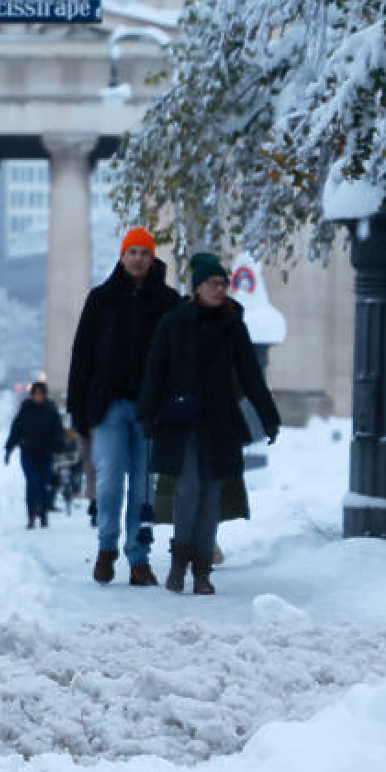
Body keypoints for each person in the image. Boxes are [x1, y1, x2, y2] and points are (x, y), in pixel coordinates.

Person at [138, 253, 281, 596]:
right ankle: (178, 563)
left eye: (223, 283)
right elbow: (155, 371)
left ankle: (202, 569)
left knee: (212, 494)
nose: (220, 289)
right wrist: (147, 414)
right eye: (213, 283)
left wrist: (269, 417)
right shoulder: (174, 323)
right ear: (197, 287)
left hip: (220, 423)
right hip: (182, 420)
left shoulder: (233, 325)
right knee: (188, 490)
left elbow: (250, 376)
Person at [67, 226, 182, 587]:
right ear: (122, 256)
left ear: (152, 258)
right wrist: (77, 408)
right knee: (110, 482)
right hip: (108, 407)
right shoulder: (101, 300)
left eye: (143, 252)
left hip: (150, 411)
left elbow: (179, 357)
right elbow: (82, 355)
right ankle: (106, 550)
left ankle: (139, 558)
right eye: (131, 252)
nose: (137, 258)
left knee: (143, 489)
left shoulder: (168, 302)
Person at [4, 381, 65, 529]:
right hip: (28, 452)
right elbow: (16, 430)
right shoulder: (25, 410)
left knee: (43, 484)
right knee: (32, 483)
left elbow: (58, 431)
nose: (38, 397)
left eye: (40, 394)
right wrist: (9, 448)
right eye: (35, 394)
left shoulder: (51, 411)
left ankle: (43, 512)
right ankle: (31, 514)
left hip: (45, 453)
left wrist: (58, 444)